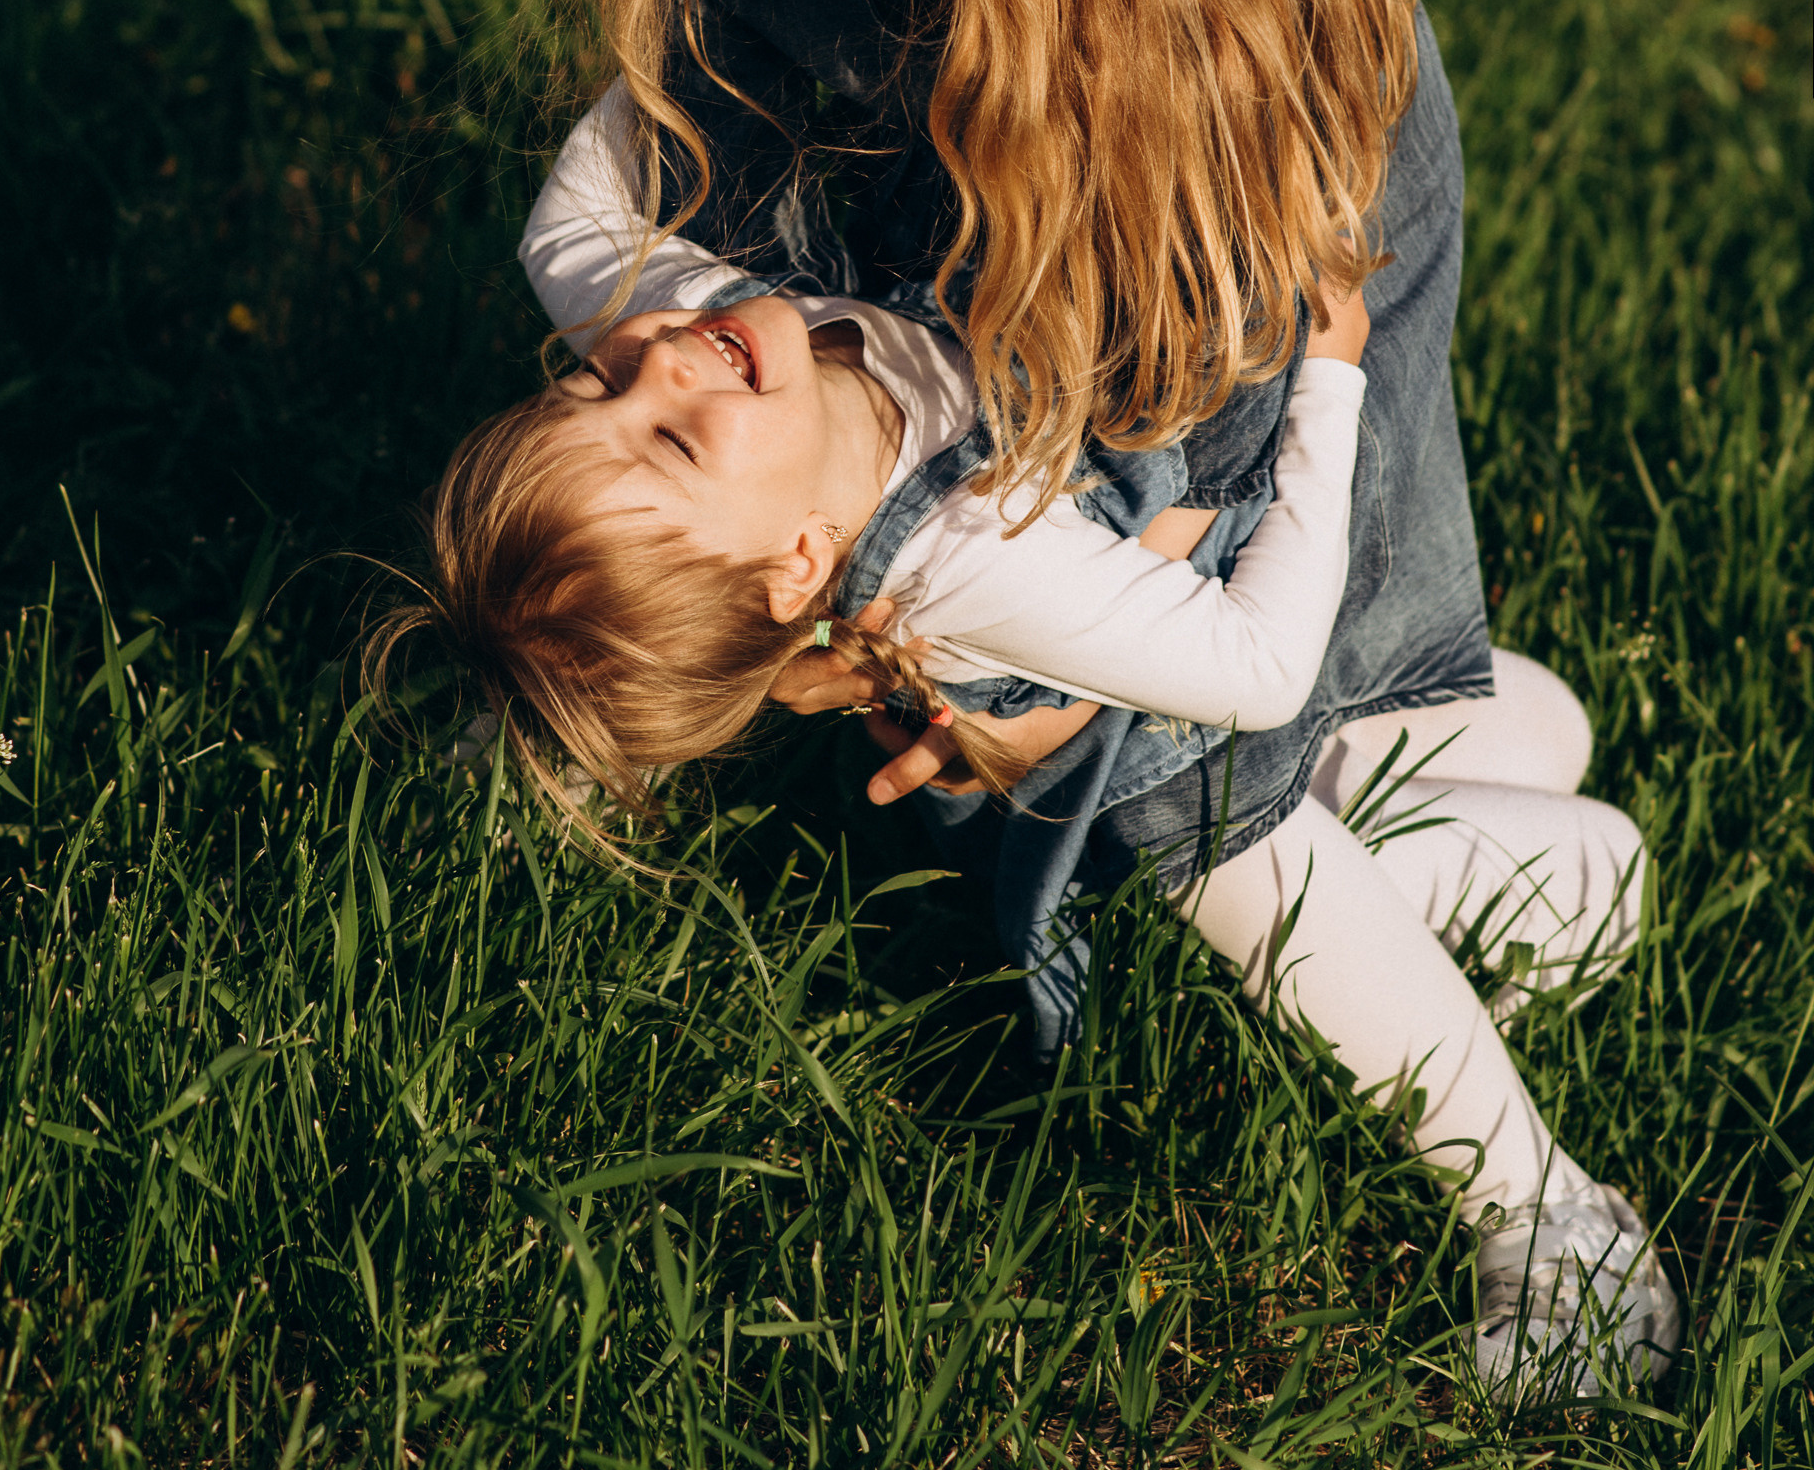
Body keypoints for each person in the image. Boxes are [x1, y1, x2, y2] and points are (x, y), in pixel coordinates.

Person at [485, 0, 1675, 1396]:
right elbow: (631, 189)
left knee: (1177, 790)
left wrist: (1088, 652)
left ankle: (1547, 1218)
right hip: (1045, 278)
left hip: (1253, 288)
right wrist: (695, 312)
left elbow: (1192, 441)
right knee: (1169, 742)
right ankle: (1493, 780)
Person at [401, 100, 1673, 1400]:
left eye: (595, 376)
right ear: (796, 565)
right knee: (1241, 840)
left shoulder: (717, 350)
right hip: (1162, 778)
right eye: (665, 434)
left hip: (1174, 641)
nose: (655, 362)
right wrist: (1331, 381)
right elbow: (1256, 668)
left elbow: (570, 219)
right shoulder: (967, 555)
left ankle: (1521, 907)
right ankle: (1547, 1211)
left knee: (1546, 725)